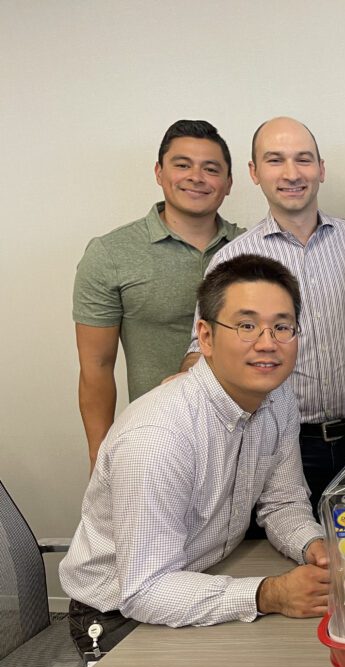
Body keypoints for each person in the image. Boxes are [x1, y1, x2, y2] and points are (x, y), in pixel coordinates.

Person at [60, 255, 330, 657]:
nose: (267, 342)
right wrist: (270, 594)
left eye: (282, 326)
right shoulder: (157, 438)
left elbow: (282, 502)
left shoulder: (278, 399)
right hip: (118, 616)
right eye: (246, 325)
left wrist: (316, 547)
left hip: (201, 574)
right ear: (205, 337)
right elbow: (146, 590)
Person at [181, 117, 345, 514]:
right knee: (294, 561)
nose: (291, 173)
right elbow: (204, 352)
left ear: (321, 168)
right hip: (280, 446)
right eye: (275, 160)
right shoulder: (233, 259)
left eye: (303, 159)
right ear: (254, 173)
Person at [73, 119, 243, 471]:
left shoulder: (252, 250)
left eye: (211, 169)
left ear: (228, 183)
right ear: (159, 172)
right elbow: (96, 366)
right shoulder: (111, 253)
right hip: (155, 440)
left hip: (246, 441)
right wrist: (99, 455)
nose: (196, 177)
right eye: (182, 165)